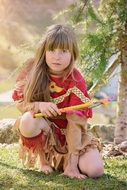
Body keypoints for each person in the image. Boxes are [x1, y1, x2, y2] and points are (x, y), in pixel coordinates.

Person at [12, 24, 104, 179]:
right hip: (46, 131)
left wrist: (72, 166)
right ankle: (45, 161)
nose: (57, 56)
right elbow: (21, 102)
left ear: (72, 54)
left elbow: (75, 124)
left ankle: (67, 162)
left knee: (95, 170)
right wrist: (38, 105)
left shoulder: (76, 80)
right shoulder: (33, 69)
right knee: (28, 119)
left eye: (64, 51)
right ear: (44, 51)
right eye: (52, 50)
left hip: (72, 136)